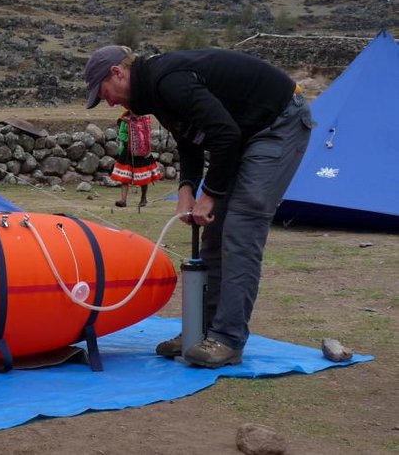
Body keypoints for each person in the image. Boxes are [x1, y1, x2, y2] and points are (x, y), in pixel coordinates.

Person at [83, 44, 314, 368]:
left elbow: (224, 135)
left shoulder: (167, 81)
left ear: (117, 73)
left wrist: (210, 194)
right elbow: (191, 139)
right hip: (245, 132)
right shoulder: (153, 90)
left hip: (279, 123)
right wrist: (187, 189)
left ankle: (228, 339)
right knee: (215, 228)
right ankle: (200, 332)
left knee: (241, 226)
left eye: (103, 92)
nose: (107, 101)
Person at [110, 110, 162, 208]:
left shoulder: (144, 121)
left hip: (143, 153)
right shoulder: (125, 121)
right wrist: (131, 140)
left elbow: (146, 134)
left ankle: (143, 198)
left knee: (144, 177)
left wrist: (140, 141)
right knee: (125, 178)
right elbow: (122, 134)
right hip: (128, 152)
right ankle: (123, 200)